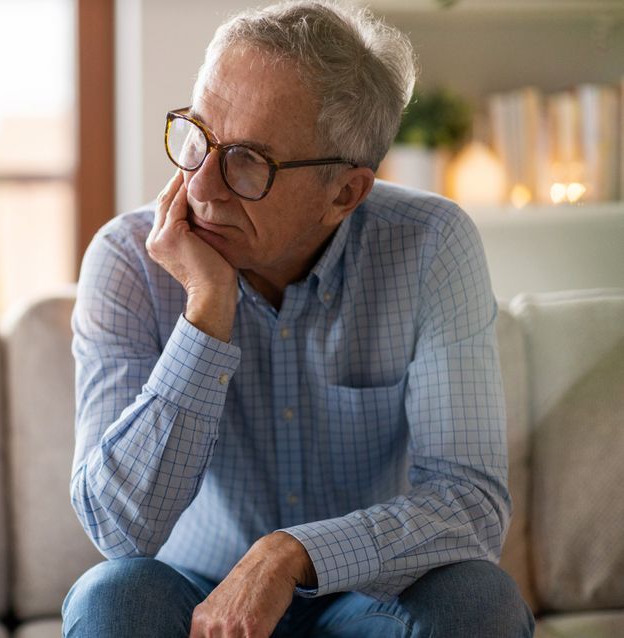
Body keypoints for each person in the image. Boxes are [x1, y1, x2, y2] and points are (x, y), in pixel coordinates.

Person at [63, 1, 535, 636]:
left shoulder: (430, 245)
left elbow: (470, 505)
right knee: (110, 598)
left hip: (367, 601)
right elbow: (119, 529)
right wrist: (206, 313)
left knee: (480, 600)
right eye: (198, 135)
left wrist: (292, 555)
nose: (201, 186)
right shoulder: (128, 259)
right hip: (196, 600)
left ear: (344, 193)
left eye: (249, 162)